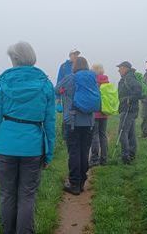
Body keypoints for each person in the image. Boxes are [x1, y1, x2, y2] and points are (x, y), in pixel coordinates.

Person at [0, 41, 56, 234]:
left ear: (14, 59)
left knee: (7, 195)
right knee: (27, 196)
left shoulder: (3, 83)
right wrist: (48, 153)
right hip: (32, 148)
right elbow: (49, 123)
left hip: (4, 146)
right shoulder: (45, 85)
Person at [55, 56, 95, 195]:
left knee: (74, 153)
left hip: (72, 122)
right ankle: (82, 181)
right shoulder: (92, 78)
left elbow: (57, 89)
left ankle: (74, 185)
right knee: (84, 152)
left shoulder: (70, 78)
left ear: (74, 66)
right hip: (89, 122)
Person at [117, 61, 142, 164]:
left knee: (122, 132)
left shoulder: (129, 78)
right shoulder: (127, 77)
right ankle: (131, 154)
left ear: (126, 68)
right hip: (129, 109)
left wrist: (129, 100)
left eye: (120, 68)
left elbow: (138, 91)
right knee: (131, 133)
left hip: (128, 109)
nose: (119, 70)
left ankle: (125, 157)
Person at [56, 49, 81, 140]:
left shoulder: (80, 66)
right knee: (66, 115)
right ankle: (65, 138)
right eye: (74, 54)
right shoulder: (63, 66)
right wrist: (58, 99)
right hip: (66, 95)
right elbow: (59, 82)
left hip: (77, 94)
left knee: (77, 114)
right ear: (70, 55)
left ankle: (75, 134)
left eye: (77, 54)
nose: (76, 56)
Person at [89, 64, 109, 167]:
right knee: (103, 135)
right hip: (105, 112)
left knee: (95, 136)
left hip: (95, 113)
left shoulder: (93, 81)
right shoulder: (106, 81)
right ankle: (104, 159)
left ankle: (94, 159)